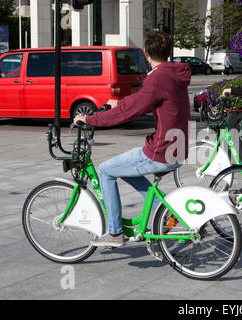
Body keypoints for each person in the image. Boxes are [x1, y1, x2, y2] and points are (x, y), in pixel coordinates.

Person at [73, 30, 191, 247]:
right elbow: (144, 100)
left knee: (107, 170)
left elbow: (129, 112)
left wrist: (90, 120)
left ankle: (115, 232)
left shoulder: (158, 77)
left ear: (146, 53)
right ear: (169, 52)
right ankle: (167, 215)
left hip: (161, 150)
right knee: (126, 169)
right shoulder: (175, 75)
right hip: (178, 148)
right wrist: (118, 103)